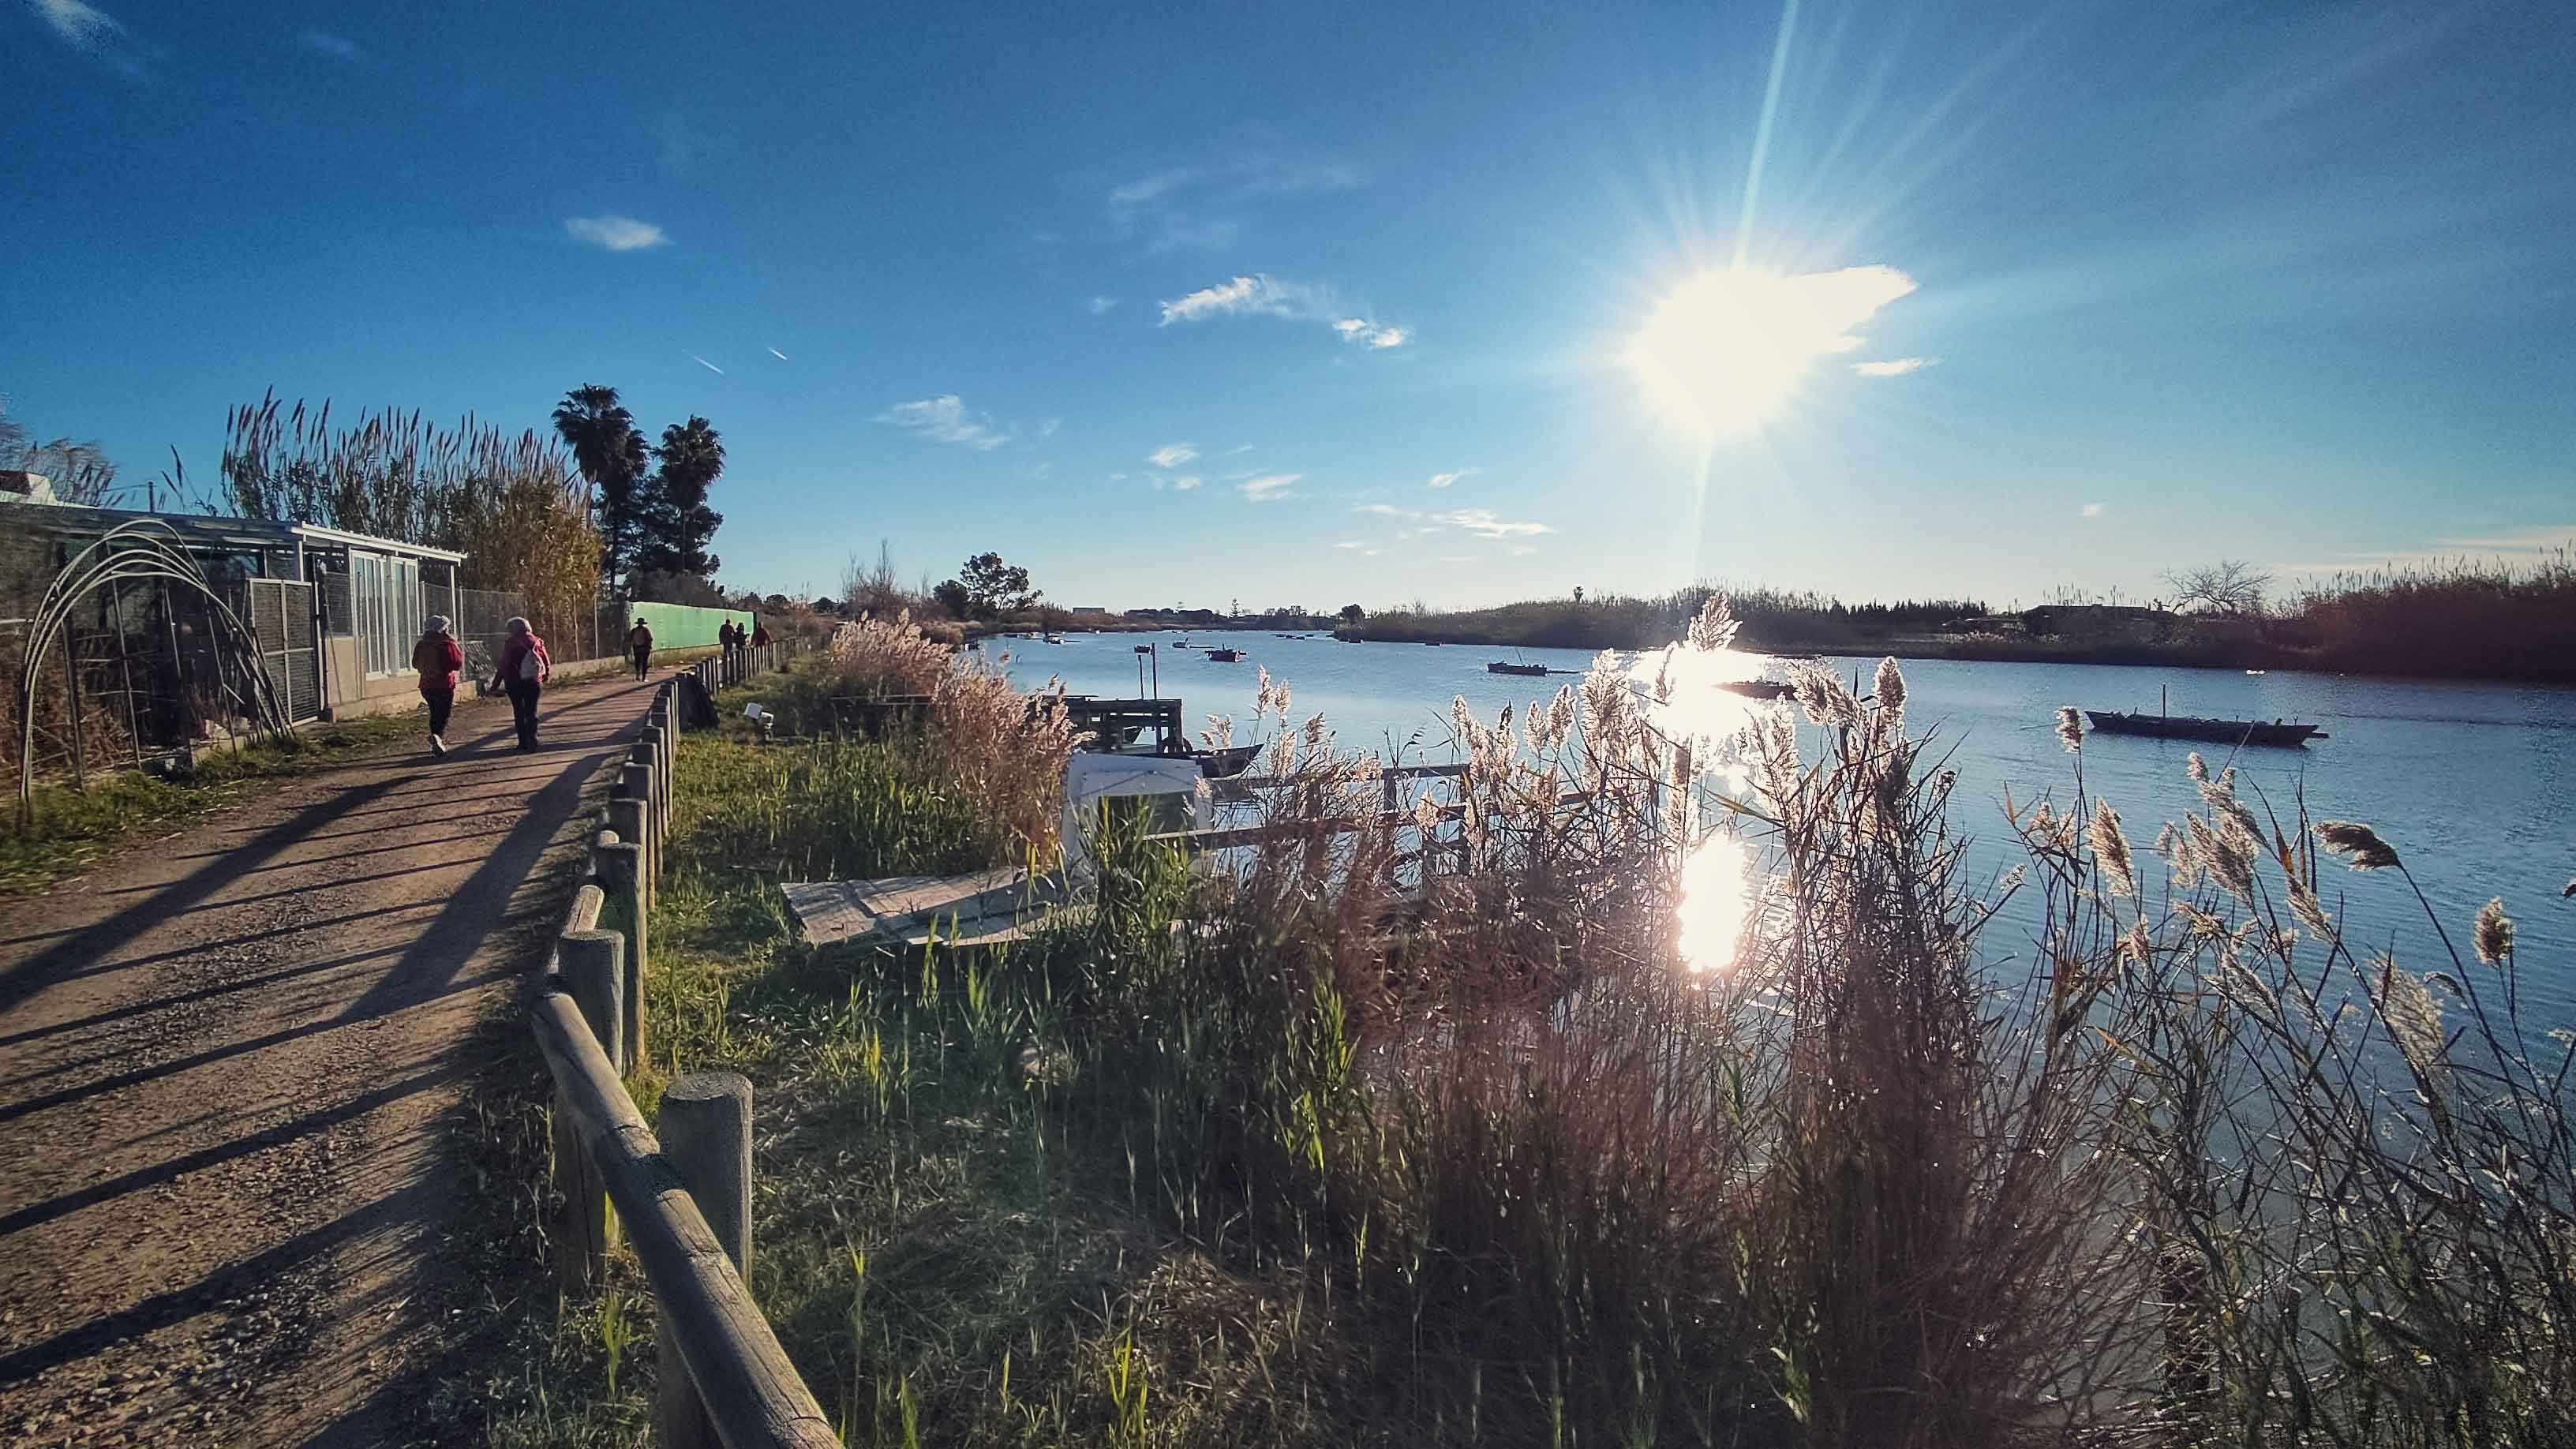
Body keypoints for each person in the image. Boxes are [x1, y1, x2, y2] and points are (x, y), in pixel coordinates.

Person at [491, 616, 552, 751]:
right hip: (533, 681)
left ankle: (523, 742)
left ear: (513, 629)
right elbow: (545, 660)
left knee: (519, 711)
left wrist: (495, 685)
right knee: (532, 711)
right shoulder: (537, 641)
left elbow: (504, 665)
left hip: (514, 682)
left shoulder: (511, 643)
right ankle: (533, 739)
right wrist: (545, 675)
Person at [411, 615, 464, 756]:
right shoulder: (447, 644)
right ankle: (437, 737)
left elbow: (415, 664)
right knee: (444, 713)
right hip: (444, 684)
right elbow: (456, 664)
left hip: (426, 685)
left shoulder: (421, 644)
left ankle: (436, 737)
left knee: (435, 712)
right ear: (444, 629)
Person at [627, 616, 654, 681]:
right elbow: (650, 639)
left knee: (639, 662)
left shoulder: (635, 630)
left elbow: (630, 639)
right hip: (642, 648)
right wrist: (649, 646)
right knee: (642, 663)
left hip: (639, 648)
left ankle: (640, 676)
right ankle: (642, 677)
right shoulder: (644, 630)